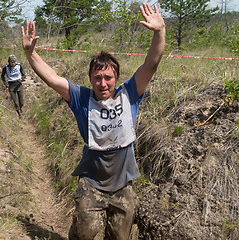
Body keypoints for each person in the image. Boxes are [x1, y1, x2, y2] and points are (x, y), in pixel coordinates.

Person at [22, 3, 165, 239]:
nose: (103, 83)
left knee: (120, 236)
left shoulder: (130, 93)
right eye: (97, 78)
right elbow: (52, 79)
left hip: (123, 184)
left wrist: (159, 32)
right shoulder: (81, 98)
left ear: (116, 78)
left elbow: (152, 63)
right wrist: (30, 53)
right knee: (85, 233)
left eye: (108, 77)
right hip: (91, 183)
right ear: (90, 79)